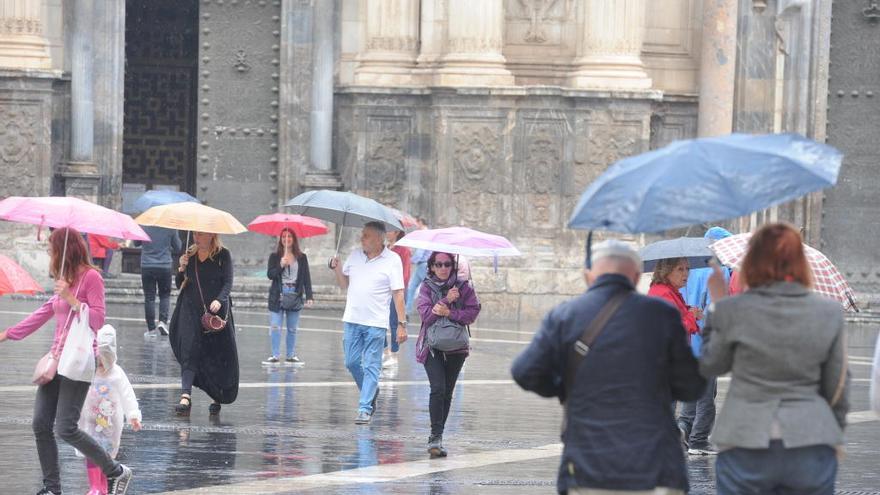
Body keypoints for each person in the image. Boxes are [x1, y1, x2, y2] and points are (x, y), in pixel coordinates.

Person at [511, 240, 704, 495]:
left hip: (588, 465)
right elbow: (692, 386)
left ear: (588, 275)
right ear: (635, 277)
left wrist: (565, 389)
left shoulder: (565, 315)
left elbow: (524, 372)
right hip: (654, 467)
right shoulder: (662, 314)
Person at [701, 223, 849, 495]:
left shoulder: (734, 309)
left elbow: (711, 364)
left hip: (744, 439)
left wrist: (717, 307)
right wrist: (833, 432)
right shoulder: (828, 311)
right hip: (811, 438)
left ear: (752, 260)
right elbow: (837, 385)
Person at [0, 228, 133, 495]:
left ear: (65, 249)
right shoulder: (66, 278)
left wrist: (72, 300)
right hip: (57, 360)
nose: (49, 253)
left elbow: (97, 320)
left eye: (52, 248)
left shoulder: (92, 277)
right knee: (40, 424)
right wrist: (8, 334)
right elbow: (43, 312)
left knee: (66, 427)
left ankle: (116, 471)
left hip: (79, 361)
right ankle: (52, 488)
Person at [330, 221, 407, 425]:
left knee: (372, 365)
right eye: (362, 235)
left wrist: (401, 323)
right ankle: (371, 388)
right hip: (352, 319)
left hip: (376, 323)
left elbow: (398, 293)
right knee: (351, 362)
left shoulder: (393, 260)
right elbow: (344, 284)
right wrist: (337, 269)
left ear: (379, 239)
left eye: (366, 236)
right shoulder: (355, 256)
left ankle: (364, 408)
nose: (361, 239)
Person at [415, 252, 481, 458]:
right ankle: (435, 437)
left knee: (447, 392)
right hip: (431, 346)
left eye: (447, 264)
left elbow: (472, 313)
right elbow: (426, 317)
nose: (443, 268)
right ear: (432, 267)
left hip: (456, 349)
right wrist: (446, 300)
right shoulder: (425, 287)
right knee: (438, 388)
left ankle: (438, 437)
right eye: (438, 264)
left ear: (452, 266)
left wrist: (451, 312)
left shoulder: (465, 288)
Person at [169, 231, 239, 416]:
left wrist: (220, 299)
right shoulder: (189, 255)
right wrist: (181, 269)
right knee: (189, 350)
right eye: (196, 234)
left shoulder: (223, 254)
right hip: (190, 309)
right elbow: (179, 284)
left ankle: (217, 396)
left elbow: (228, 282)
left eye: (201, 234)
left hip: (215, 313)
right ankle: (185, 396)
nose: (196, 237)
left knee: (216, 355)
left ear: (211, 235)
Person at [676, 226, 732, 456]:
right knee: (707, 394)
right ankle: (699, 440)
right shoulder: (719, 271)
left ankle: (683, 431)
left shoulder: (687, 269)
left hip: (687, 338)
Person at [78, 325, 142, 495]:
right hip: (90, 422)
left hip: (110, 425)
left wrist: (133, 415)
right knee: (91, 452)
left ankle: (103, 487)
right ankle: (95, 487)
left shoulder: (117, 373)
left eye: (104, 358)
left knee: (105, 454)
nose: (100, 363)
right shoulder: (89, 371)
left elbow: (127, 395)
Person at [264, 228, 313, 366]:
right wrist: (280, 265)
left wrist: (309, 296)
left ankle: (291, 355)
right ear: (280, 239)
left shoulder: (302, 257)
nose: (286, 239)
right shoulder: (274, 256)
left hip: (294, 294)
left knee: (292, 328)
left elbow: (306, 278)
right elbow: (270, 275)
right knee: (275, 326)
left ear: (294, 239)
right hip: (277, 295)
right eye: (284, 236)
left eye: (289, 236)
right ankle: (275, 355)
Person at [138, 225, 183, 338]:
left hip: (147, 265)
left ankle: (151, 329)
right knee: (164, 296)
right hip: (164, 265)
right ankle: (162, 322)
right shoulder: (170, 227)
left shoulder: (143, 226)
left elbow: (136, 243)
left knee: (149, 297)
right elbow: (178, 247)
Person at [383, 229, 411, 368]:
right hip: (383, 291)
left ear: (397, 232)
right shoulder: (386, 249)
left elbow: (405, 273)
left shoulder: (403, 250)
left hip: (396, 290)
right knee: (381, 321)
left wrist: (399, 288)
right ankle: (384, 350)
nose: (387, 232)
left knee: (394, 322)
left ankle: (394, 354)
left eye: (390, 230)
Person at [405, 218, 430, 316]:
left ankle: (426, 309)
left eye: (417, 223)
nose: (416, 225)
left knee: (427, 289)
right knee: (412, 288)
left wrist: (411, 260)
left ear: (420, 222)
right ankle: (407, 311)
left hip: (423, 264)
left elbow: (420, 252)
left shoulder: (424, 234)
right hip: (422, 265)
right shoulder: (426, 233)